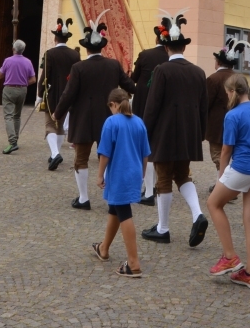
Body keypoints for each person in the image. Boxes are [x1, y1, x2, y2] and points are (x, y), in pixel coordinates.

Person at [142, 14, 209, 247]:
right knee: (182, 175)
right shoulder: (199, 72)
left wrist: (144, 133)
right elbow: (204, 108)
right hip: (189, 133)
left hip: (165, 133)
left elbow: (152, 106)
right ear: (183, 46)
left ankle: (163, 228)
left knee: (163, 179)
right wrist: (199, 135)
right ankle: (197, 214)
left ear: (166, 46)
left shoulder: (162, 70)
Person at [54, 16, 134, 210]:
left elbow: (68, 94)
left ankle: (83, 198)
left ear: (86, 48)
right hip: (109, 117)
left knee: (81, 158)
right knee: (108, 157)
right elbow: (129, 86)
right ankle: (111, 200)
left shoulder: (79, 67)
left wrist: (58, 113)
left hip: (83, 118)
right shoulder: (113, 65)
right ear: (102, 47)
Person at [207, 74, 250, 289]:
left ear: (233, 92)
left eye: (227, 92)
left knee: (213, 204)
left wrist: (222, 176)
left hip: (243, 167)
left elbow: (226, 150)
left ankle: (230, 256)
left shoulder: (232, 115)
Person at [92, 88, 150, 277]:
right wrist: (141, 174)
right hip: (134, 172)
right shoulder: (139, 122)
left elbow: (105, 152)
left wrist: (100, 175)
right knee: (115, 209)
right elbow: (145, 154)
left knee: (124, 211)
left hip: (119, 172)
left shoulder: (111, 122)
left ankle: (133, 263)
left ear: (113, 104)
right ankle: (104, 248)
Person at [130, 32, 169, 203]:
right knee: (156, 147)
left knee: (145, 148)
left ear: (156, 39)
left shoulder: (145, 55)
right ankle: (153, 187)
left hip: (144, 106)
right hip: (165, 107)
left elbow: (133, 80)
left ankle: (148, 191)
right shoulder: (170, 59)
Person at [38, 18, 79, 171]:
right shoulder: (75, 55)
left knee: (50, 124)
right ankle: (56, 153)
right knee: (60, 125)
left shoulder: (50, 53)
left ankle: (55, 154)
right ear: (67, 38)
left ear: (55, 38)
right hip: (69, 94)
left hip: (53, 94)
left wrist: (39, 94)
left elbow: (45, 76)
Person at [206, 39, 242, 175]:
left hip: (217, 125)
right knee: (232, 154)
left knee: (218, 155)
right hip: (238, 121)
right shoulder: (239, 78)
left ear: (219, 62)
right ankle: (224, 182)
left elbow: (206, 103)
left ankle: (223, 184)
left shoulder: (213, 79)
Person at [0, 39, 36, 154]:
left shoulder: (7, 61)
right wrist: (23, 82)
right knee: (17, 116)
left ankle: (12, 141)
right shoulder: (28, 62)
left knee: (8, 116)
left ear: (14, 49)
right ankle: (16, 139)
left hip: (9, 89)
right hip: (22, 89)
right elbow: (33, 79)